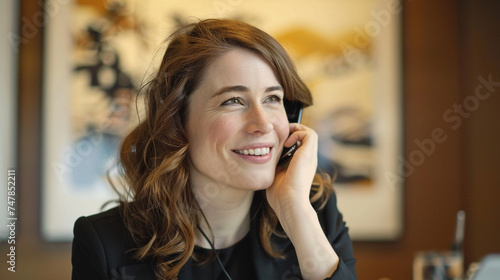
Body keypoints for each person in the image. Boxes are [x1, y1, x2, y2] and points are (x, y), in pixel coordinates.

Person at [71, 18, 357, 280]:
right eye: (233, 101)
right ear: (177, 121)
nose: (263, 125)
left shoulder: (316, 215)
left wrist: (295, 211)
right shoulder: (104, 243)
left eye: (272, 98)